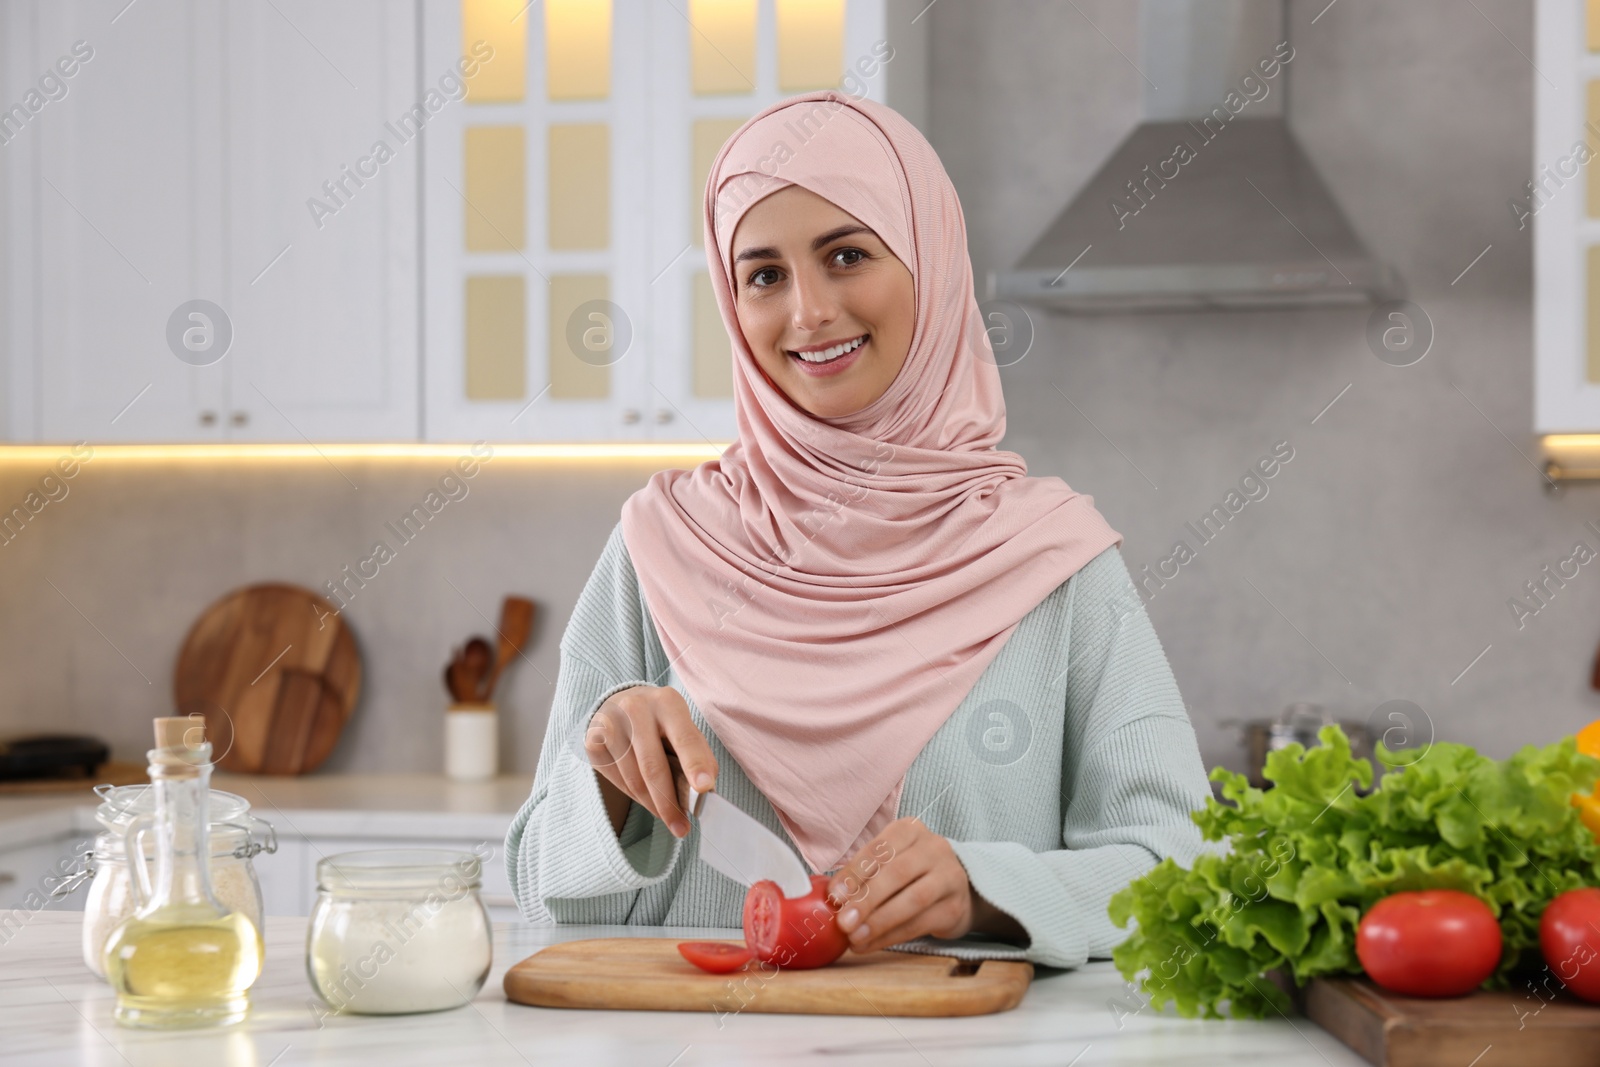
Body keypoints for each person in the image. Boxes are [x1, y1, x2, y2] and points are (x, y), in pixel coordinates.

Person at [504, 90, 1210, 967]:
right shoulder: (659, 546)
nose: (808, 312)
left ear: (931, 260)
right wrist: (610, 793)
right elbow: (532, 873)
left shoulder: (1056, 563)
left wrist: (990, 888)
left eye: (846, 255)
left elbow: (1181, 869)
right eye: (764, 274)